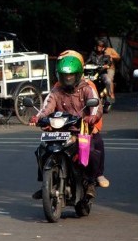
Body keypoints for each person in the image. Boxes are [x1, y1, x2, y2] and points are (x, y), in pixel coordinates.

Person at [29, 55, 104, 199]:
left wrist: (91, 118)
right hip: (60, 131)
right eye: (64, 76)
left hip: (80, 131)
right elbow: (46, 108)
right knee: (41, 150)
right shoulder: (56, 91)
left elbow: (96, 107)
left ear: (78, 75)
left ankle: (90, 182)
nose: (67, 79)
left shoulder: (87, 89)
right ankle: (45, 183)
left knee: (93, 153)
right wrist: (37, 118)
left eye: (70, 75)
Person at [85, 37, 120, 103]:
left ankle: (109, 95)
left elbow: (114, 59)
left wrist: (107, 64)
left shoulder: (108, 54)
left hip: (103, 72)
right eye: (98, 46)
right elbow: (88, 61)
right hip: (94, 72)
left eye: (100, 46)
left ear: (104, 47)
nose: (99, 48)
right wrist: (83, 64)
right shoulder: (92, 54)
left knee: (108, 80)